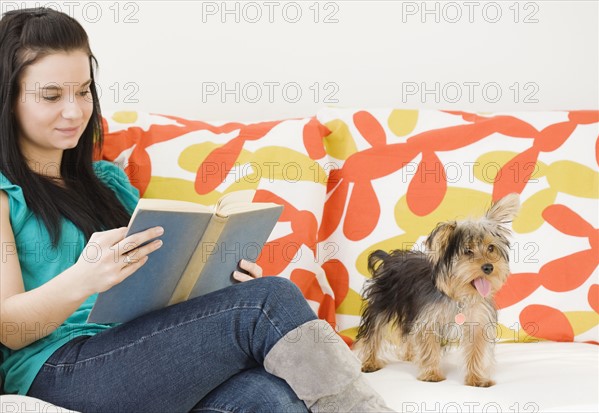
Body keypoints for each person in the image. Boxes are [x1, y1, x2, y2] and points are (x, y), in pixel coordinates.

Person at [0, 7, 394, 413]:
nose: (75, 111)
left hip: (137, 351)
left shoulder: (109, 185)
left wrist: (223, 284)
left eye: (83, 91)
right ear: (8, 98)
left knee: (269, 395)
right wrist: (85, 278)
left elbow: (160, 291)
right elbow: (9, 327)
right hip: (57, 368)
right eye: (51, 95)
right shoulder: (3, 194)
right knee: (267, 301)